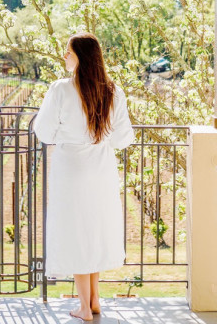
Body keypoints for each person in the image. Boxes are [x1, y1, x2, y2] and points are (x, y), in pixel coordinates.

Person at [33, 32, 134, 321]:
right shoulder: (112, 90)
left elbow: (43, 132)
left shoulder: (61, 89)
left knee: (76, 232)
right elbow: (123, 137)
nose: (64, 56)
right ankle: (94, 300)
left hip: (71, 169)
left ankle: (83, 308)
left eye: (68, 51)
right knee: (94, 229)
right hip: (101, 169)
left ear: (81, 57)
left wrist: (65, 136)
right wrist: (100, 141)